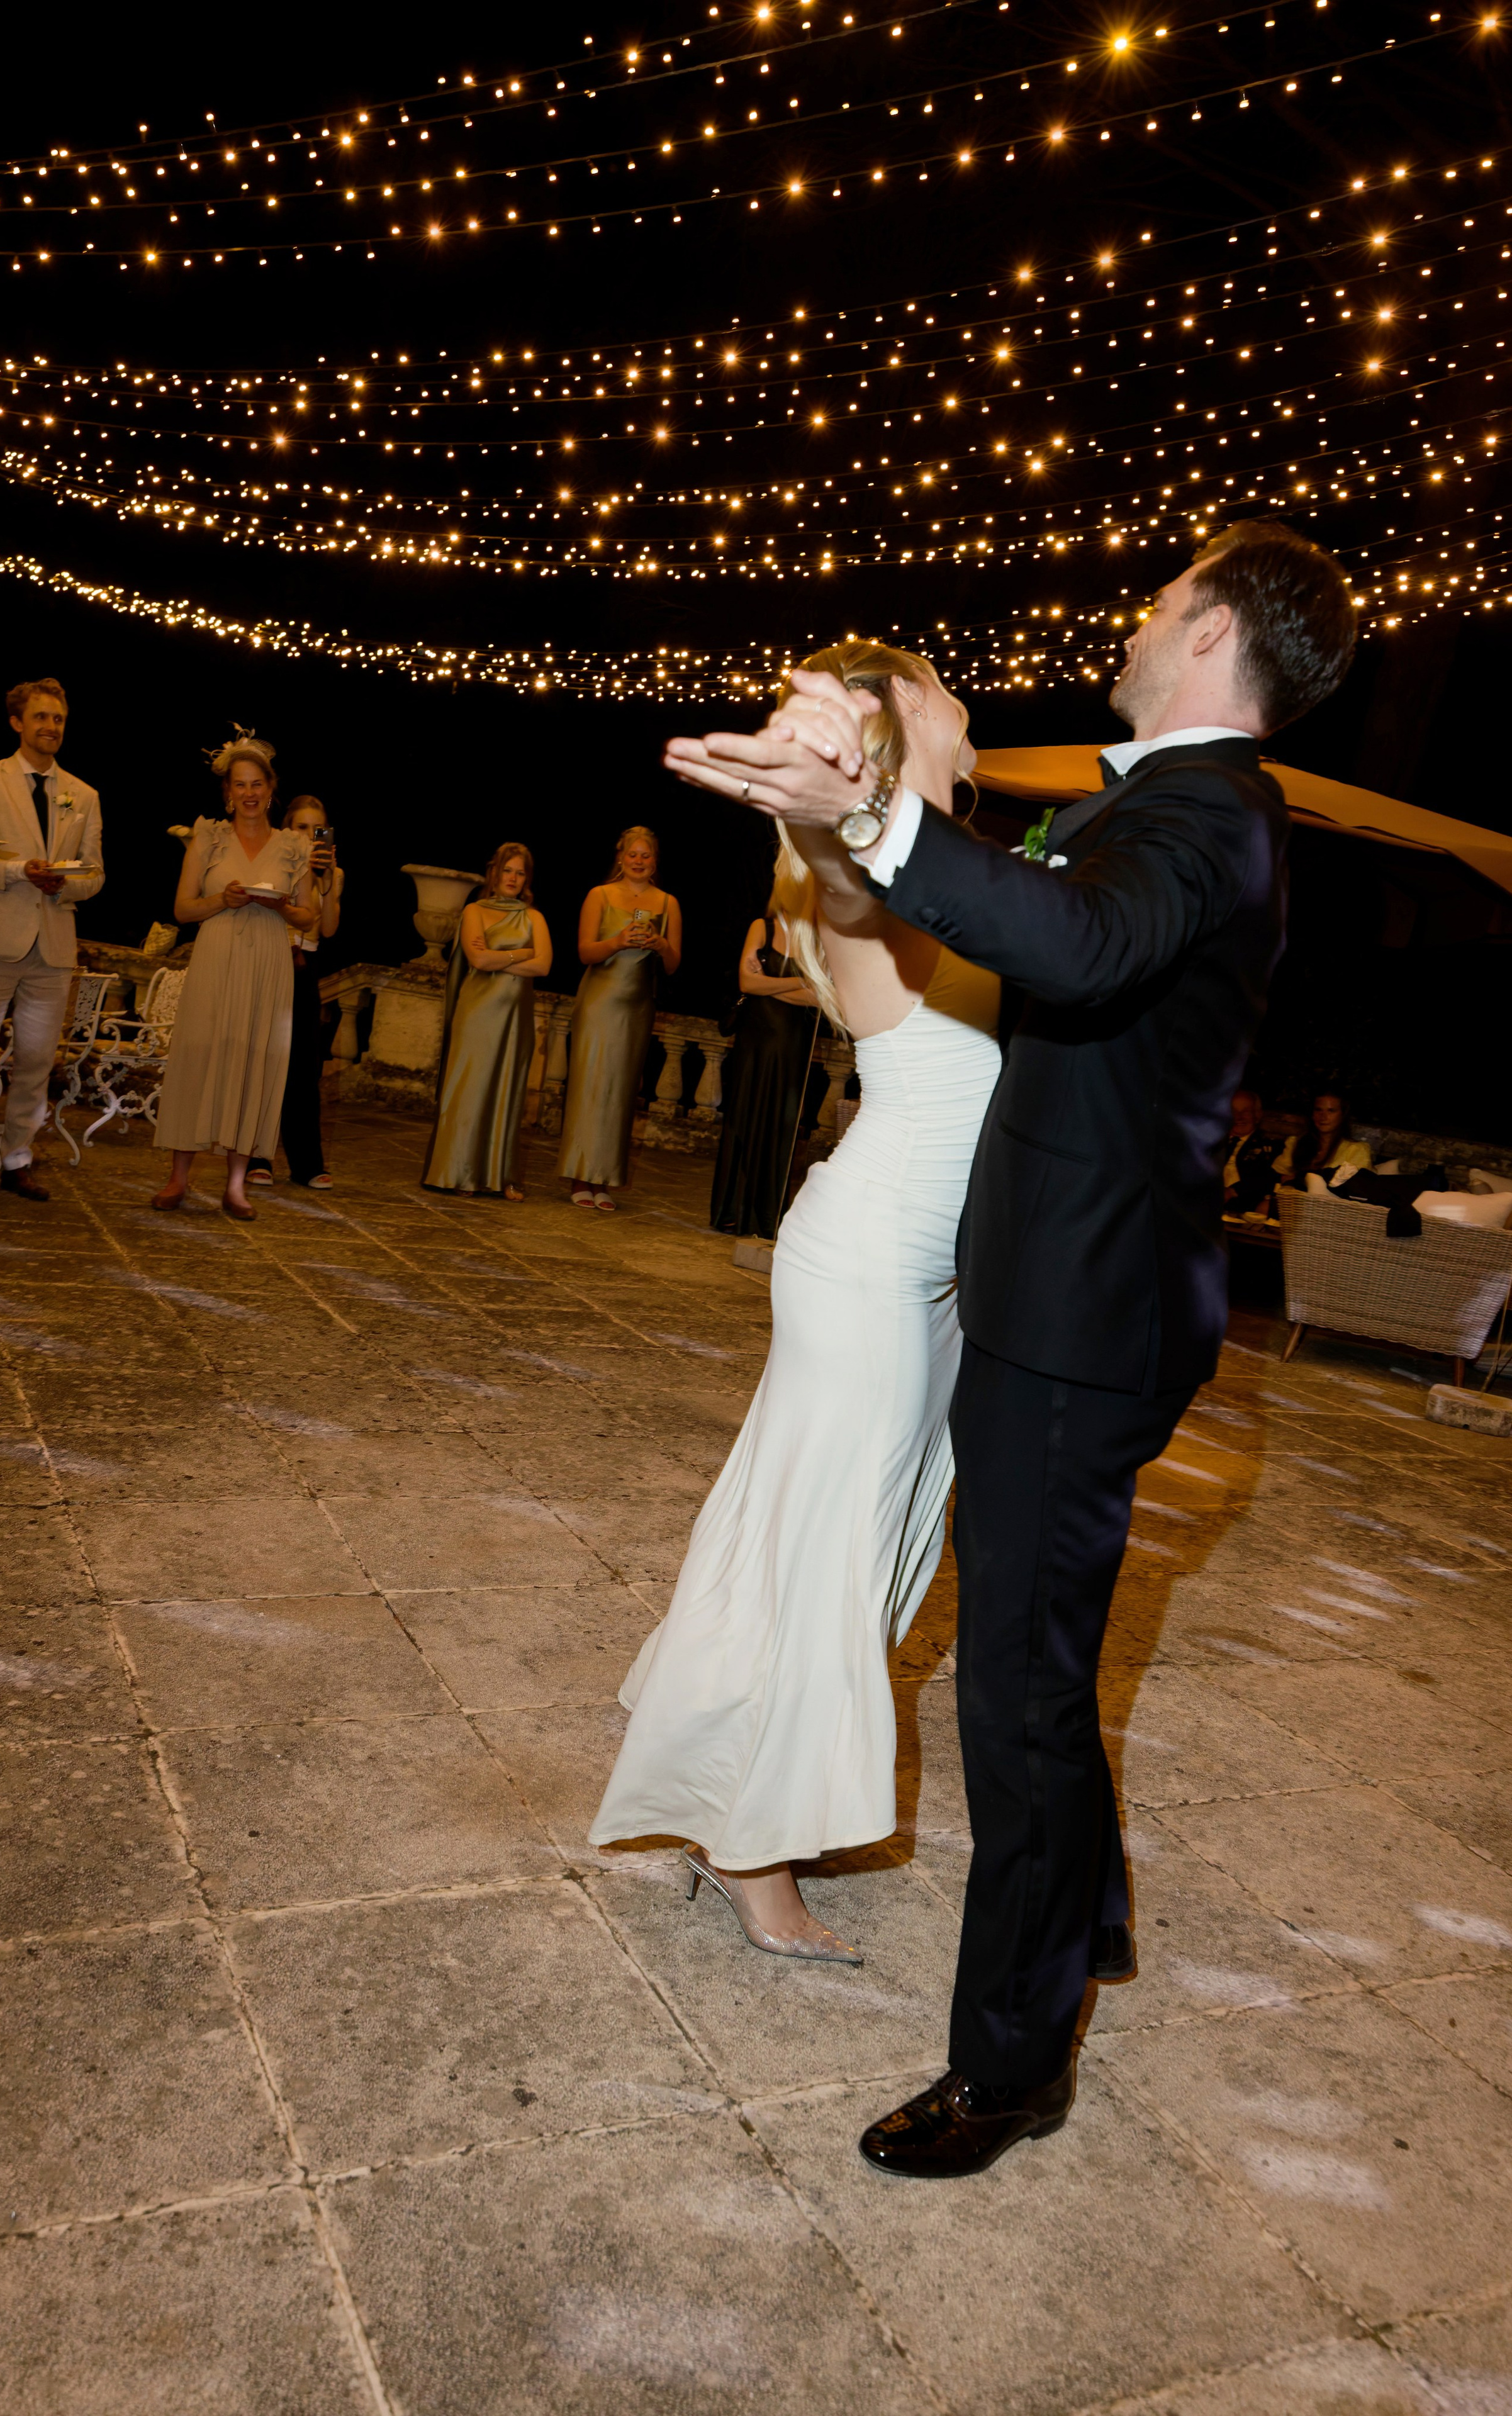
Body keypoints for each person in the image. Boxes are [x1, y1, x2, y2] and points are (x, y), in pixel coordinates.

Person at [666, 517, 1356, 2178]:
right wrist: (852, 825)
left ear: (1210, 634)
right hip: (1072, 1302)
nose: (1131, 614)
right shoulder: (1160, 806)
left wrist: (872, 811)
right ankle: (1084, 1915)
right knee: (1042, 1657)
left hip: (1081, 1322)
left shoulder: (1210, 817)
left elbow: (1082, 945)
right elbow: (1010, 927)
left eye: (1160, 595)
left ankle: (1011, 2068)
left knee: (1023, 1693)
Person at [591, 643, 1002, 1964]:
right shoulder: (866, 881)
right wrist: (826, 818)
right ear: (888, 726)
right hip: (870, 1265)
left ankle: (757, 1784)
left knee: (864, 1552)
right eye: (937, 681)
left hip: (934, 1281)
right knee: (820, 1557)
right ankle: (748, 1851)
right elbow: (841, 878)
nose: (962, 694)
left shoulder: (969, 871)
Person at [0, 678, 104, 1203]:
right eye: (41, 718)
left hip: (53, 943)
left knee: (36, 1062)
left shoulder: (83, 794)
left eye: (58, 719)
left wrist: (65, 883)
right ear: (17, 723)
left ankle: (17, 1159)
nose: (51, 727)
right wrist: (17, 870)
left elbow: (96, 875)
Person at [152, 735, 317, 1221]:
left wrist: (283, 905)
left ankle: (238, 1184)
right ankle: (178, 1178)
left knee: (255, 1059)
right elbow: (182, 908)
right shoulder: (208, 837)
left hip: (268, 958)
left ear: (272, 789)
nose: (249, 793)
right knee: (199, 1054)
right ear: (228, 791)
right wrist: (219, 901)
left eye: (257, 784)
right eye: (239, 785)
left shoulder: (294, 846)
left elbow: (308, 917)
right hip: (217, 952)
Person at [557, 826, 682, 1211]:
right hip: (599, 1001)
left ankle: (605, 1179)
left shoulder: (668, 903)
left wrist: (661, 945)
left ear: (655, 861)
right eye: (633, 855)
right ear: (621, 857)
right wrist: (618, 942)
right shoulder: (601, 895)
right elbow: (584, 952)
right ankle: (581, 1175)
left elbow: (674, 965)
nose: (639, 861)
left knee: (622, 1092)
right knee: (590, 1086)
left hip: (638, 1006)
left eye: (646, 856)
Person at [421, 842, 552, 1200]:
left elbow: (543, 966)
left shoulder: (534, 917)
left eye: (520, 872)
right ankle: (459, 1172)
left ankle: (498, 1177)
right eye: (507, 870)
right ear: (494, 873)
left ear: (527, 879)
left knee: (506, 1091)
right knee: (470, 1090)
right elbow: (477, 961)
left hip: (513, 1018)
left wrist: (500, 957)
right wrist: (522, 952)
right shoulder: (475, 911)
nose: (513, 878)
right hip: (476, 1013)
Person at [708, 866, 820, 1241]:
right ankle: (729, 1212)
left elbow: (819, 995)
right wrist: (796, 982)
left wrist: (768, 984)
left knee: (780, 1129)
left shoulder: (817, 937)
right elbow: (745, 983)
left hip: (792, 1045)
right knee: (743, 1120)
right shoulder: (762, 927)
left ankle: (766, 1216)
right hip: (755, 1041)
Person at [246, 794, 344, 1189]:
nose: (309, 835)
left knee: (305, 1068)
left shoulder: (331, 874)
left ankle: (307, 1164)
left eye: (316, 829)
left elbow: (331, 929)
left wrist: (328, 883)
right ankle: (257, 1157)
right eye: (301, 827)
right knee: (264, 1063)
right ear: (287, 828)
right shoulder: (273, 863)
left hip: (306, 967)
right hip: (271, 962)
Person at [1275, 1091, 1372, 1186]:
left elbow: (1356, 1187)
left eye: (1331, 1111)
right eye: (1318, 1110)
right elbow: (1280, 1176)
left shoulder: (1356, 1150)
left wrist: (1300, 1180)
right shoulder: (1297, 1143)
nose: (1323, 1117)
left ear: (1343, 1115)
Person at [1222, 1087, 1281, 1217]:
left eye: (1246, 1111)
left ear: (1258, 1115)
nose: (1239, 1117)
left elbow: (1268, 1178)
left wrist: (1233, 1191)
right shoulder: (1215, 1142)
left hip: (1246, 1208)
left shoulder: (1269, 1147)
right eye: (1234, 1111)